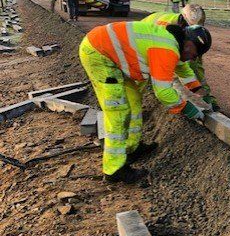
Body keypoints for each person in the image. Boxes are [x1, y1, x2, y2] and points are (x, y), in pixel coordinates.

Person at [79, 19, 212, 184]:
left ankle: (130, 149)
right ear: (190, 45)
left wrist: (199, 91)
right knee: (118, 112)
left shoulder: (175, 40)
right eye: (194, 54)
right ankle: (113, 169)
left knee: (133, 102)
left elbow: (182, 68)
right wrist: (188, 109)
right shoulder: (167, 48)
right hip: (98, 54)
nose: (193, 59)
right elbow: (163, 92)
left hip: (108, 53)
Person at [143, 4, 219, 111]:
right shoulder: (166, 29)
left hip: (152, 35)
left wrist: (206, 94)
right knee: (165, 76)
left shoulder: (184, 28)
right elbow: (173, 66)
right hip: (145, 39)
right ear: (184, 20)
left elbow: (196, 64)